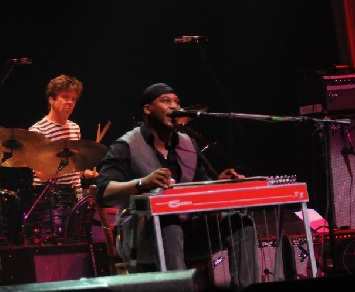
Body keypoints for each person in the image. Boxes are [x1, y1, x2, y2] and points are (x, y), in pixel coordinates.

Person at [94, 82, 260, 290]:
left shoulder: (188, 144)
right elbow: (103, 194)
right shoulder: (125, 146)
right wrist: (141, 183)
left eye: (177, 102)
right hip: (141, 239)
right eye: (166, 101)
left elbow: (201, 187)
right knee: (169, 223)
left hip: (189, 234)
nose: (174, 106)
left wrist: (221, 182)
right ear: (147, 109)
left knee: (241, 222)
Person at [27, 74, 98, 242]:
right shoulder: (37, 131)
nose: (70, 102)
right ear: (51, 99)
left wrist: (83, 173)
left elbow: (73, 168)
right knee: (55, 246)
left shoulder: (74, 128)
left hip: (75, 197)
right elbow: (41, 174)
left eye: (73, 99)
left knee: (77, 243)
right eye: (65, 97)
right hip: (50, 201)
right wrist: (66, 165)